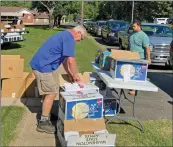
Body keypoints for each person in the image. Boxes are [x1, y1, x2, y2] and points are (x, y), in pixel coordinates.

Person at [29, 25, 87, 134]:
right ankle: (43, 122)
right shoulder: (69, 38)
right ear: (78, 33)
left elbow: (64, 61)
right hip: (42, 66)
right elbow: (71, 61)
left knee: (48, 92)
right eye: (81, 38)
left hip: (43, 64)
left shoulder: (65, 36)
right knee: (51, 92)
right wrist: (76, 75)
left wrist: (70, 74)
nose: (80, 41)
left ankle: (47, 113)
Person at [129, 20, 151, 95]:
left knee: (137, 73)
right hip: (131, 56)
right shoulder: (131, 34)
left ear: (139, 26)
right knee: (131, 72)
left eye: (134, 26)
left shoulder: (143, 36)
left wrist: (148, 59)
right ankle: (132, 87)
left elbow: (147, 48)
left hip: (140, 57)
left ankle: (134, 89)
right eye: (132, 26)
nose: (133, 27)